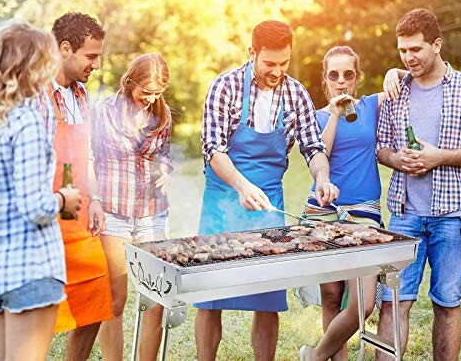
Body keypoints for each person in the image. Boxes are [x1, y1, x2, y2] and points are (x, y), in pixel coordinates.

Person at [195, 20, 339, 361]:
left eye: (284, 63)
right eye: (269, 63)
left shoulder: (296, 94)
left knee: (268, 299)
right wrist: (242, 186)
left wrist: (321, 177)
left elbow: (313, 147)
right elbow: (213, 149)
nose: (277, 71)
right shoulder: (225, 87)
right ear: (252, 53)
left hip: (269, 206)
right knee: (210, 297)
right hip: (223, 202)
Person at [375, 8, 461, 361]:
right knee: (391, 304)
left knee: (447, 303)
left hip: (453, 216)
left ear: (437, 44)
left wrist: (440, 157)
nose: (408, 58)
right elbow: (381, 146)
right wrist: (395, 159)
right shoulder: (396, 90)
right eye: (402, 51)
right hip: (405, 215)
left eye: (415, 49)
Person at [0, 22, 82, 360]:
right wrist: (64, 199)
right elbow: (35, 207)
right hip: (29, 269)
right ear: (32, 68)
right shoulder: (25, 123)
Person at [298, 46, 404, 361]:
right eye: (334, 75)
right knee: (332, 297)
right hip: (324, 213)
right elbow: (321, 154)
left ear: (357, 79)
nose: (341, 81)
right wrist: (333, 113)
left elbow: (411, 77)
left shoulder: (370, 106)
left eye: (348, 74)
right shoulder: (317, 117)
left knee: (364, 303)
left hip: (364, 214)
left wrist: (392, 72)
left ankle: (315, 356)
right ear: (325, 80)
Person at [33, 12, 113, 360]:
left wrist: (95, 198)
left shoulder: (81, 95)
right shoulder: (35, 94)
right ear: (65, 49)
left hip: (79, 215)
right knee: (37, 309)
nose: (96, 64)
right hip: (45, 214)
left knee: (97, 296)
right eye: (91, 56)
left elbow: (88, 154)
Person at [92, 54, 173, 361]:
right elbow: (90, 157)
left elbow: (164, 154)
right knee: (115, 297)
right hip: (114, 213)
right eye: (146, 92)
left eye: (157, 93)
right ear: (129, 82)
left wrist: (165, 169)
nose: (151, 99)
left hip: (153, 214)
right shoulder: (104, 112)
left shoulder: (161, 115)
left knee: (156, 298)